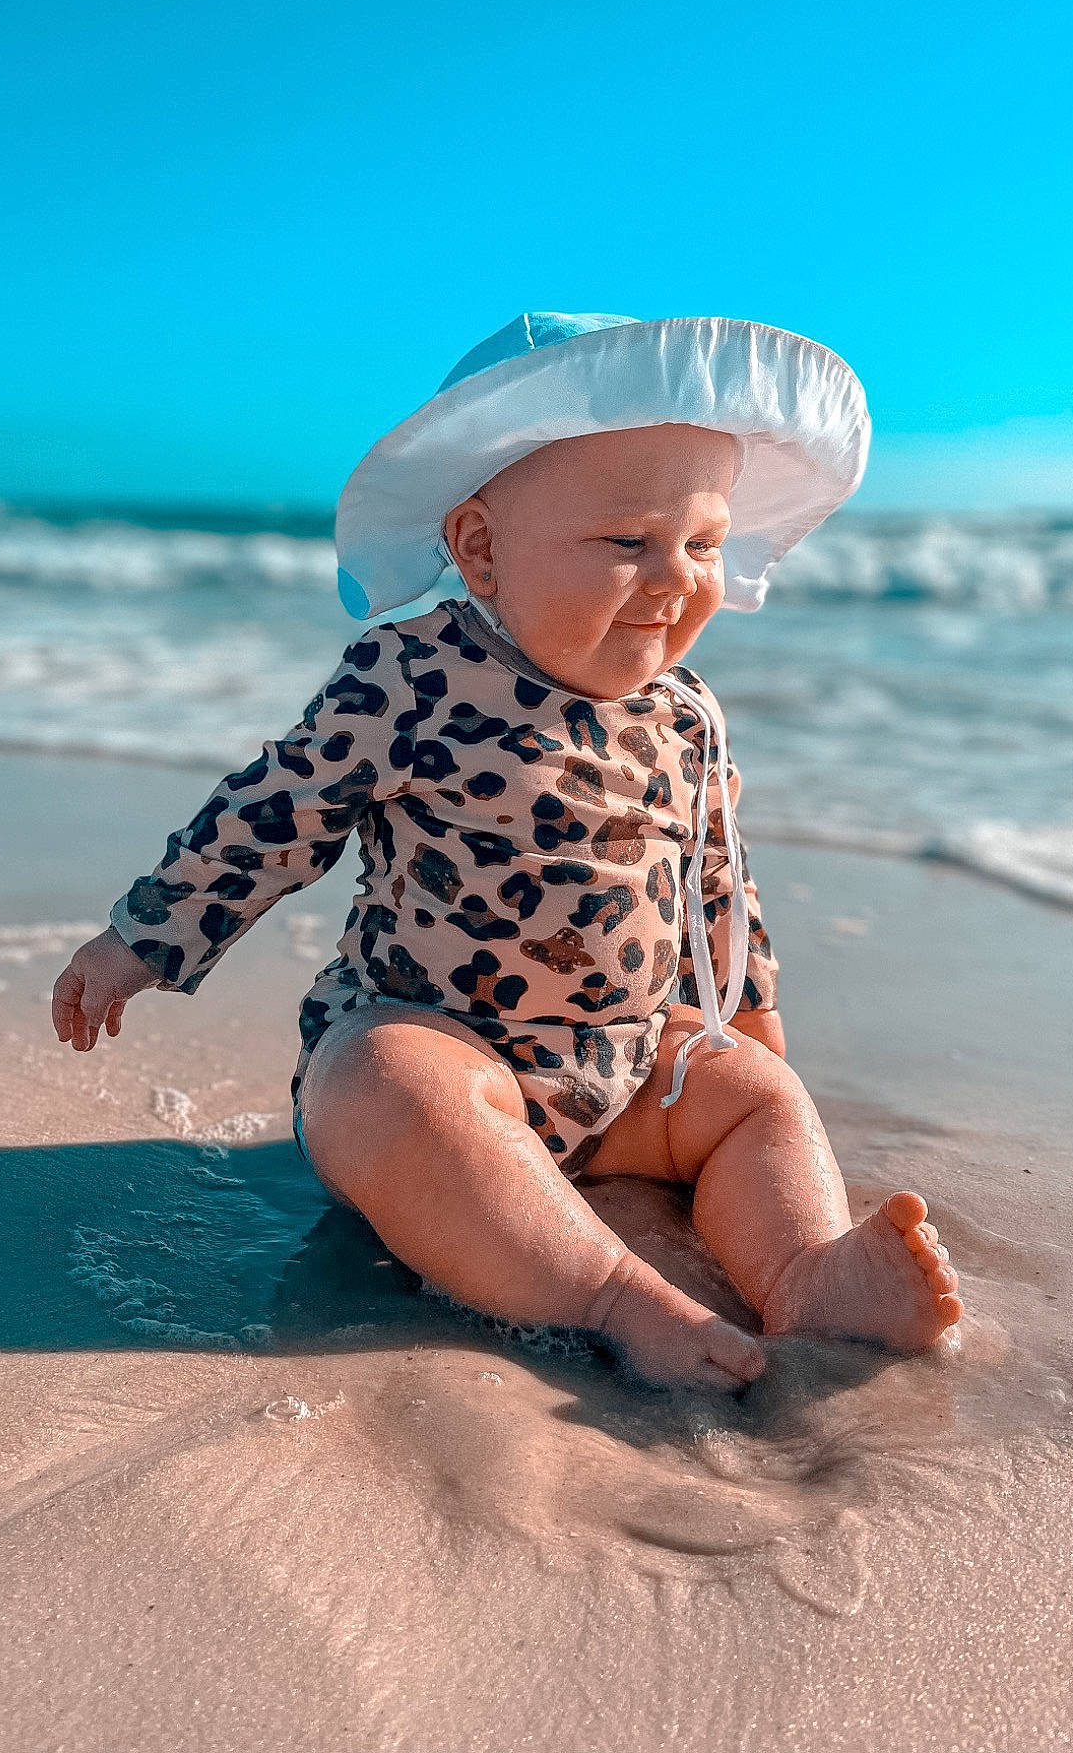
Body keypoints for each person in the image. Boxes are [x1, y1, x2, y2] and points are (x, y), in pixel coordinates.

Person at [52, 313, 963, 1388]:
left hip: (623, 1072)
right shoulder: (409, 674)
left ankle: (804, 1270)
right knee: (380, 1084)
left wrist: (756, 1035)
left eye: (704, 544)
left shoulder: (684, 714)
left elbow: (717, 882)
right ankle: (616, 1294)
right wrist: (141, 938)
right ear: (481, 547)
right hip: (446, 1043)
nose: (675, 578)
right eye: (629, 542)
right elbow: (275, 809)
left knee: (755, 1095)